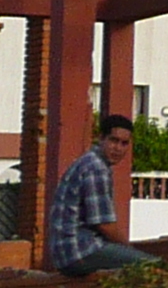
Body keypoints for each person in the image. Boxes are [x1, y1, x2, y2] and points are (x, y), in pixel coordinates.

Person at [46, 114, 158, 276]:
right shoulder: (95, 168)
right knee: (156, 269)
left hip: (66, 253)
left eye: (124, 143)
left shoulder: (87, 162)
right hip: (81, 250)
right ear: (101, 138)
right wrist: (128, 248)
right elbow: (104, 224)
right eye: (113, 141)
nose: (118, 148)